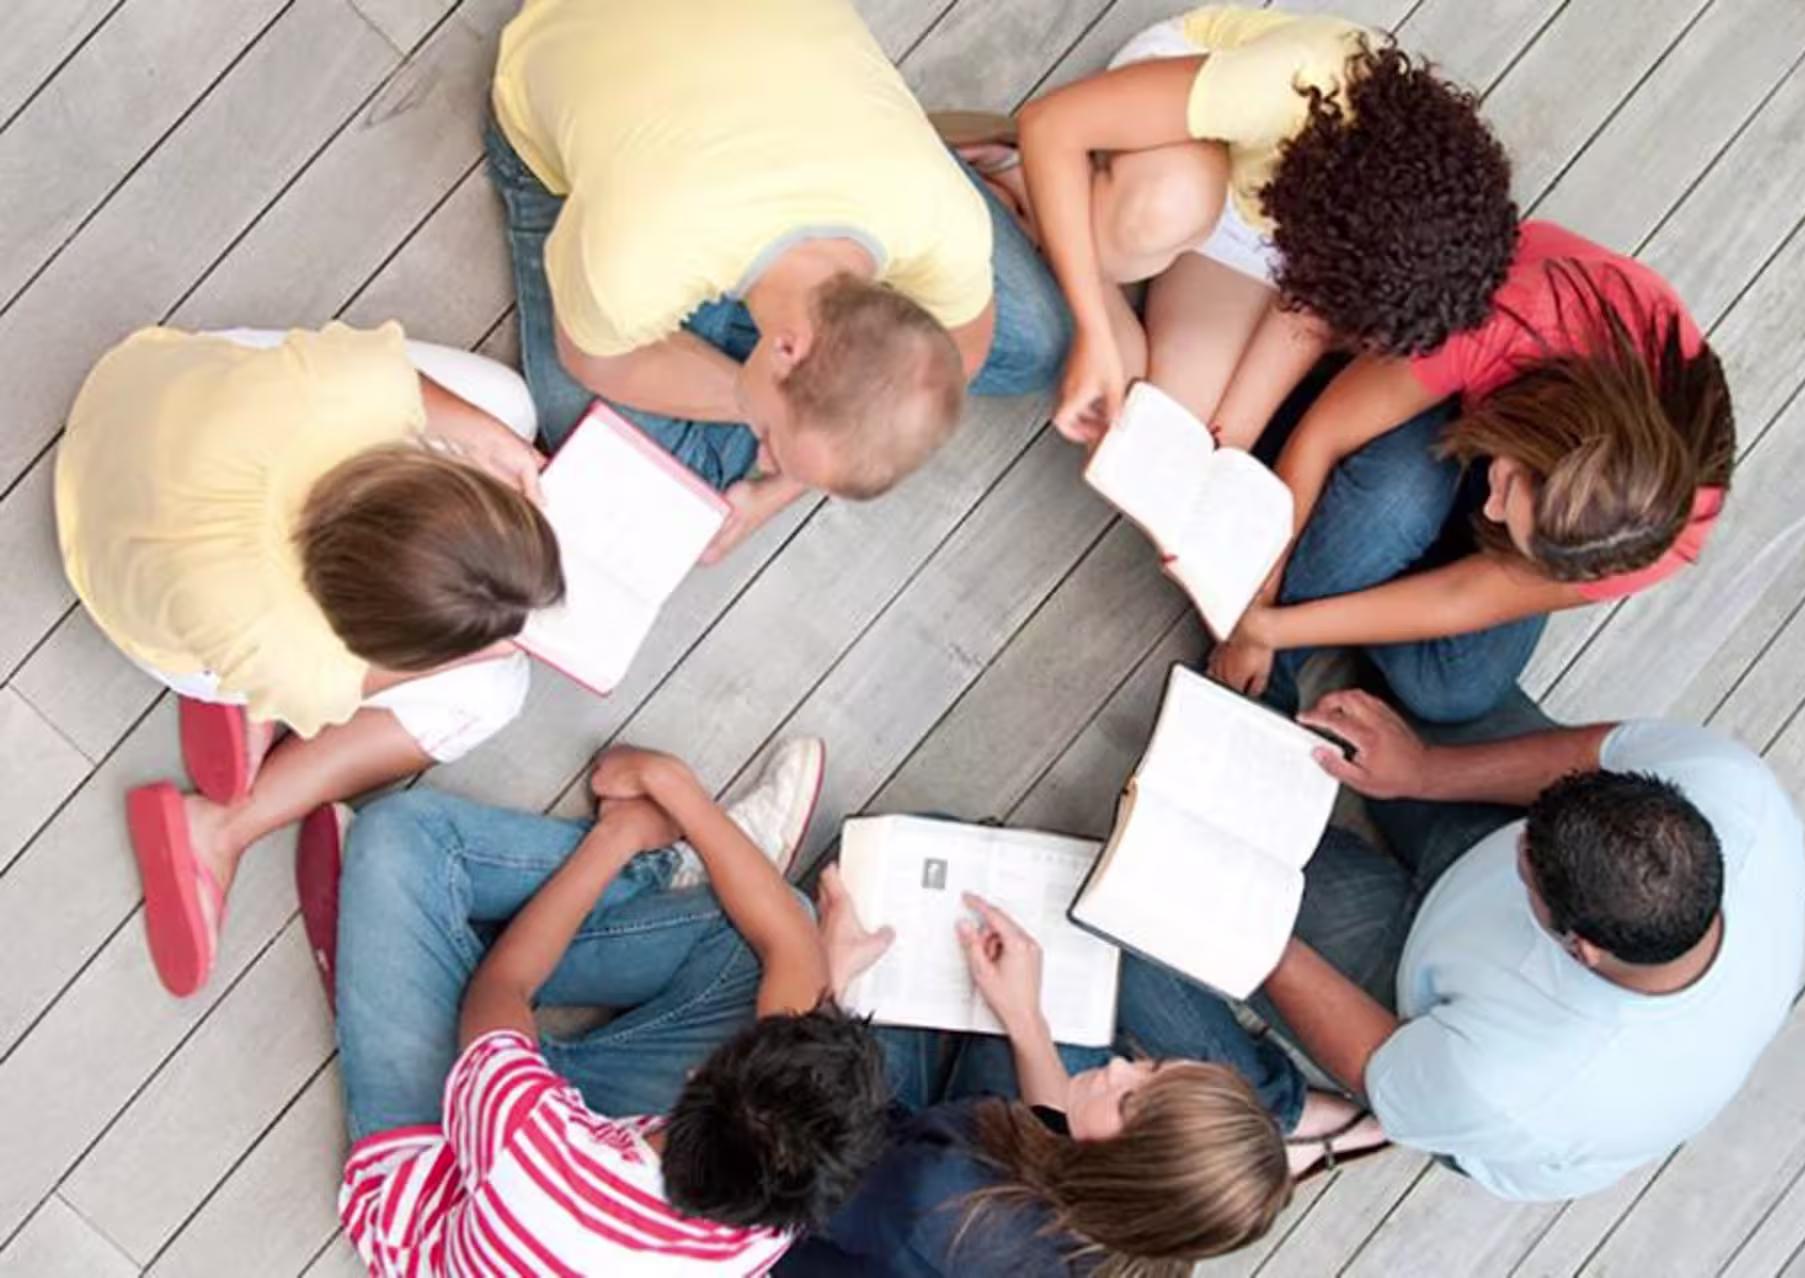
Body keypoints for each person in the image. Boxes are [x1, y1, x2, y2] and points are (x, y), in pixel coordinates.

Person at [54, 323, 561, 999]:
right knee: (497, 692)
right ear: (378, 632)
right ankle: (223, 825)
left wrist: (493, 443)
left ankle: (244, 711)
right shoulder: (299, 655)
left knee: (509, 407)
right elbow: (354, 680)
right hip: (147, 612)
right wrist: (465, 654)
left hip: (132, 403)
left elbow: (391, 378)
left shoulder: (334, 396)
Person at [485, 0, 1072, 562]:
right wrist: (759, 408)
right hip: (569, 79)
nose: (765, 457)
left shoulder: (940, 217)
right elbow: (597, 365)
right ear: (789, 348)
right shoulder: (639, 259)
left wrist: (785, 483)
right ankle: (738, 353)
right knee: (647, 474)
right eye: (770, 438)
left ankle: (747, 355)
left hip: (760, 121)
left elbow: (960, 353)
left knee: (1037, 345)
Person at [307, 737, 892, 1274]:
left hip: (452, 1163)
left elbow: (503, 984)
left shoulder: (528, 1147)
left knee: (396, 842)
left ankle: (646, 867)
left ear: (697, 1076)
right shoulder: (772, 1210)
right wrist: (824, 973)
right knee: (766, 942)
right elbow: (789, 946)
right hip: (577, 1144)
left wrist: (623, 834)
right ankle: (411, 951)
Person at [1256, 685, 1805, 1200]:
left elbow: (1375, 1063)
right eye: (1531, 828)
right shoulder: (1733, 789)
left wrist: (1260, 931)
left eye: (1526, 866)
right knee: (1410, 697)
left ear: (1579, 948)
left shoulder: (1514, 1084)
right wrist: (1424, 771)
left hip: (1421, 1028)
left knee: (1245, 865)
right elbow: (1595, 754)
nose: (1520, 837)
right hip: (1523, 881)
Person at [1210, 222, 1735, 723]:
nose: (1491, 505)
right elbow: (1322, 437)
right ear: (1534, 435)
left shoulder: (1658, 532)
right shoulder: (1516, 317)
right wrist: (1259, 617)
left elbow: (1461, 598)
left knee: (1455, 690)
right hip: (1474, 360)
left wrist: (1276, 628)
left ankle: (1362, 564)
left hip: (1534, 447)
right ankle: (1337, 585)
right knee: (1395, 502)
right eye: (1505, 486)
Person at [778, 868, 1389, 1274]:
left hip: (817, 1186)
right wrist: (1025, 1019)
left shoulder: (944, 1195)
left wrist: (827, 986)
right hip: (937, 1170)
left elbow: (802, 1154)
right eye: (1150, 1069)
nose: (1121, 1065)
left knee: (804, 919)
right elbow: (1057, 1147)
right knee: (940, 899)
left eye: (1128, 1101)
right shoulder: (1138, 1244)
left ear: (1126, 1175)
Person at [988, 6, 1514, 443]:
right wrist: (1093, 329)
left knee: (1154, 433)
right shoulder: (1299, 82)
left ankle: (1070, 247)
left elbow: (1304, 314)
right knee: (1166, 209)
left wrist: (1229, 441)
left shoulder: (1374, 230)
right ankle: (1025, 181)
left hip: (1266, 216)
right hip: (1186, 135)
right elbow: (1051, 121)